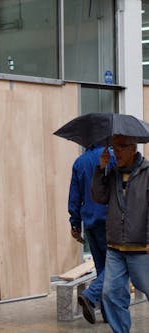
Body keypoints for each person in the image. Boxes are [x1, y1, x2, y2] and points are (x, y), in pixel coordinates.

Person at [91, 135, 149, 333]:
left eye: (122, 147)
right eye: (114, 148)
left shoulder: (147, 173)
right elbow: (98, 197)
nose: (117, 152)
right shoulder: (113, 173)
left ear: (133, 148)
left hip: (142, 247)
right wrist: (101, 169)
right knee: (110, 294)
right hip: (115, 247)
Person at [68, 145, 115, 324]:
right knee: (116, 266)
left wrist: (74, 223)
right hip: (110, 221)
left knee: (103, 268)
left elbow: (74, 195)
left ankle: (108, 314)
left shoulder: (79, 162)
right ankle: (90, 296)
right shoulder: (113, 157)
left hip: (90, 222)